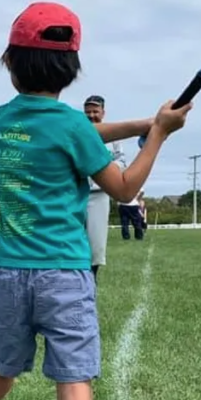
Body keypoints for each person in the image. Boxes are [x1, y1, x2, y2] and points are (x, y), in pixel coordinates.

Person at [0, 1, 191, 400]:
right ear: (71, 69)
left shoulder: (4, 119)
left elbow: (80, 132)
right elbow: (125, 188)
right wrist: (158, 136)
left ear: (12, 62)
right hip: (64, 275)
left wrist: (148, 120)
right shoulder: (72, 126)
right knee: (74, 393)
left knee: (0, 372)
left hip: (13, 274)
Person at [82, 95, 128, 282]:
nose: (92, 115)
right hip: (77, 192)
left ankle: (91, 281)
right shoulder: (79, 132)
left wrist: (106, 171)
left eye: (95, 111)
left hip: (99, 194)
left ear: (103, 112)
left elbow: (121, 161)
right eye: (88, 112)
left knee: (96, 243)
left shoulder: (113, 136)